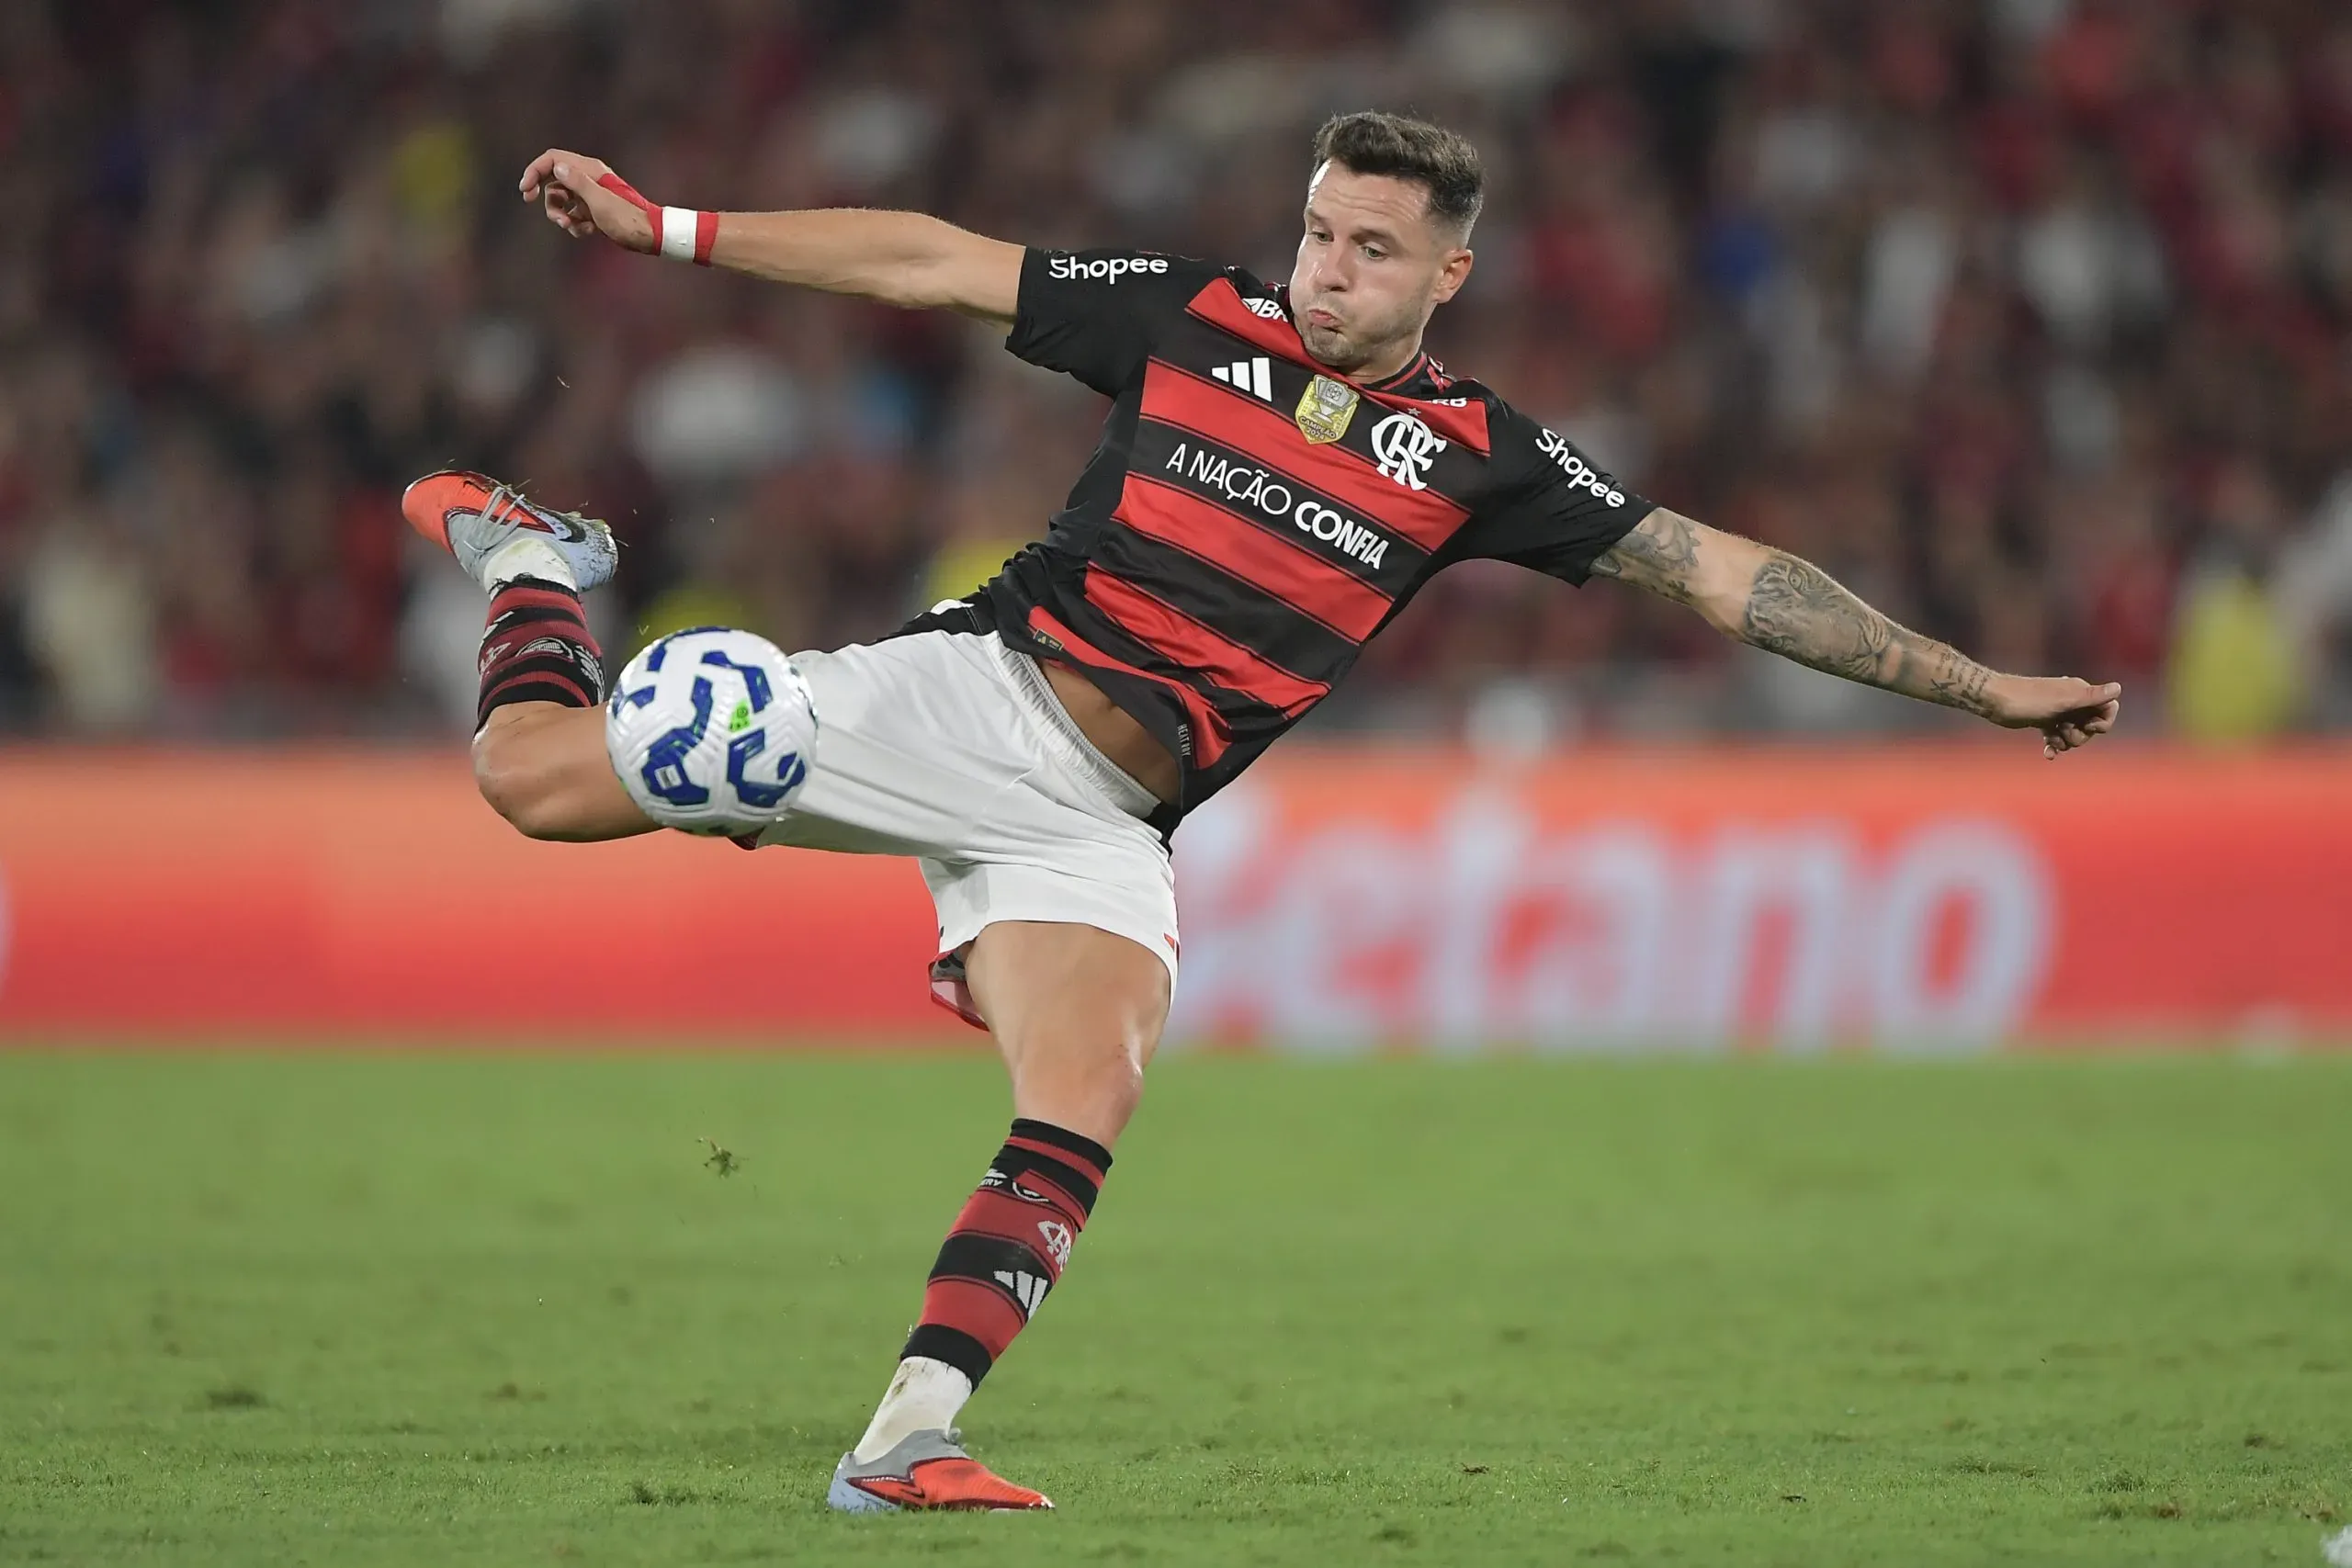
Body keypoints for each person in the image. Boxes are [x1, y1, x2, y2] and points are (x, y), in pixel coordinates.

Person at [402, 111, 2121, 1513]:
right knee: (529, 783)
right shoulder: (1189, 317)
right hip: (972, 700)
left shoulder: (1474, 456)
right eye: (1318, 230)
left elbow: (1716, 572)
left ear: (1450, 273)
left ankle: (903, 1440)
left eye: (1373, 248)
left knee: (1089, 1084)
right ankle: (536, 558)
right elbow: (932, 260)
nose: (1327, 268)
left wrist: (1980, 686)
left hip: (1097, 826)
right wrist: (673, 229)